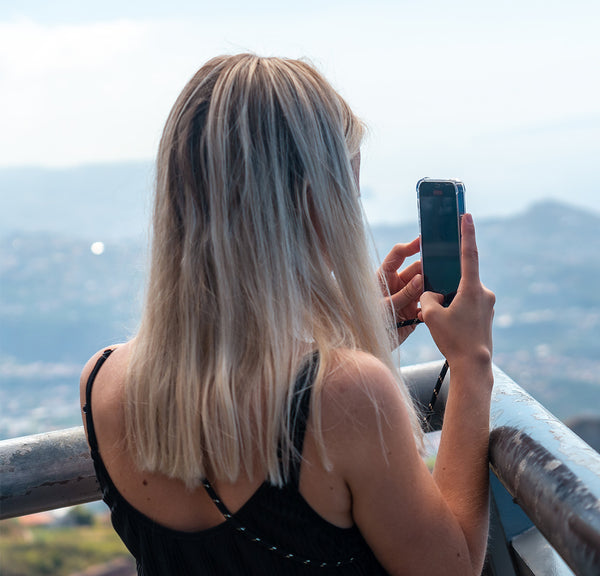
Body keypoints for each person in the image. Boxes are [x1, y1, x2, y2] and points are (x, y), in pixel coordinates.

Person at [79, 54, 495, 576]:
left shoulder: (100, 381)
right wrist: (472, 361)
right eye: (349, 193)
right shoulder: (348, 396)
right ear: (312, 205)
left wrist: (352, 335)